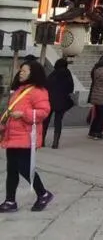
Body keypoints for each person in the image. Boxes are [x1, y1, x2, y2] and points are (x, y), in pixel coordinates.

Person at [1, 60, 54, 212]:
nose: (21, 73)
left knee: (24, 168)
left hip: (25, 137)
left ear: (34, 73)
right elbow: (10, 112)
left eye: (25, 71)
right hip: (13, 136)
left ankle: (43, 193)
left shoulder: (38, 91)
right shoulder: (19, 90)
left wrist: (24, 114)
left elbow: (44, 112)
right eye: (21, 70)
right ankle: (10, 201)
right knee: (11, 169)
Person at [43, 58, 75, 149]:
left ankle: (42, 141)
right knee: (58, 121)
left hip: (49, 100)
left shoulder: (53, 74)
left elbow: (46, 85)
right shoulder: (67, 73)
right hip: (62, 101)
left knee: (46, 121)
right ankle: (55, 143)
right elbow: (71, 87)